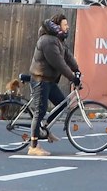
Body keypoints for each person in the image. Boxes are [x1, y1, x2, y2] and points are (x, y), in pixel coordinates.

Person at [26, 14, 81, 157]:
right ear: (57, 26)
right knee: (40, 112)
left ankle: (45, 130)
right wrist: (72, 77)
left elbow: (68, 57)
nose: (67, 27)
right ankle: (33, 146)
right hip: (40, 80)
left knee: (62, 104)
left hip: (49, 80)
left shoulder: (59, 40)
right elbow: (58, 63)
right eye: (65, 24)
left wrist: (77, 71)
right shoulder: (48, 41)